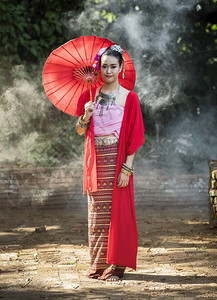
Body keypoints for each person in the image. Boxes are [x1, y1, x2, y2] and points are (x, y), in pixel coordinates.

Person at [75, 44, 145, 281]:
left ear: (121, 68)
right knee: (97, 215)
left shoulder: (130, 98)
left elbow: (135, 137)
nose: (108, 70)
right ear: (98, 68)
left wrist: (127, 168)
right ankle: (97, 265)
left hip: (118, 161)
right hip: (96, 163)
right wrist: (86, 115)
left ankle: (115, 267)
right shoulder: (89, 96)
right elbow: (79, 130)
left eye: (113, 66)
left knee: (118, 215)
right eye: (103, 66)